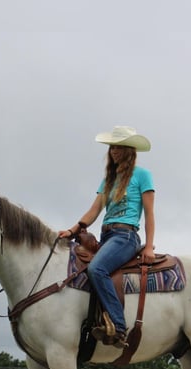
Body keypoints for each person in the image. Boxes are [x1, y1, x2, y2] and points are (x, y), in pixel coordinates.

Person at [59, 126, 156, 348]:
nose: (113, 151)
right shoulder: (109, 180)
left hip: (126, 235)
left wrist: (149, 246)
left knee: (97, 269)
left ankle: (119, 326)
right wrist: (72, 230)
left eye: (118, 147)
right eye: (112, 147)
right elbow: (93, 211)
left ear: (129, 150)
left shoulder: (142, 175)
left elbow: (150, 214)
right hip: (107, 235)